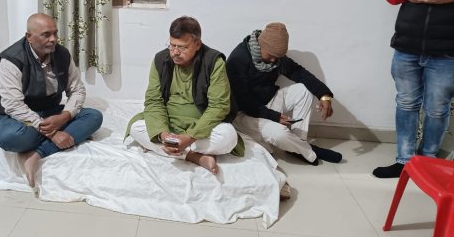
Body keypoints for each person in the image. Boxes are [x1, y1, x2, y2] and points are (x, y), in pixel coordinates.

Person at [373, 0, 454, 178]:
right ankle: (405, 162)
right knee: (406, 103)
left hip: (447, 51)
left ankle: (428, 161)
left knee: (437, 108)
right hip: (407, 45)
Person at [0, 13, 103, 187]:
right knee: (8, 138)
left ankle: (36, 154)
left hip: (51, 111)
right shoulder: (10, 60)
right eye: (46, 34)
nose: (53, 39)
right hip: (18, 117)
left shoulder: (62, 54)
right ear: (29, 37)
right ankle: (70, 133)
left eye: (55, 33)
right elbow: (13, 105)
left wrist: (64, 117)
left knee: (94, 117)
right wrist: (53, 133)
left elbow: (77, 90)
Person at [126, 16, 242, 175]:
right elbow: (154, 101)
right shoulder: (160, 59)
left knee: (228, 137)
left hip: (201, 126)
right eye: (172, 45)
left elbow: (219, 106)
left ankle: (164, 148)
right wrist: (163, 134)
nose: (175, 52)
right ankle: (194, 156)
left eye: (182, 47)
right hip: (169, 123)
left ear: (197, 44)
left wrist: (190, 136)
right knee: (135, 128)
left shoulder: (213, 61)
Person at [226, 22, 342, 165]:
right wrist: (274, 116)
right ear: (261, 45)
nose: (274, 60)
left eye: (278, 57)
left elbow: (300, 73)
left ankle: (298, 143)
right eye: (271, 55)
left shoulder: (277, 58)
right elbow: (244, 100)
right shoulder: (238, 59)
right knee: (279, 134)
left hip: (268, 101)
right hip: (244, 113)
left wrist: (324, 95)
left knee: (304, 90)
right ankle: (306, 150)